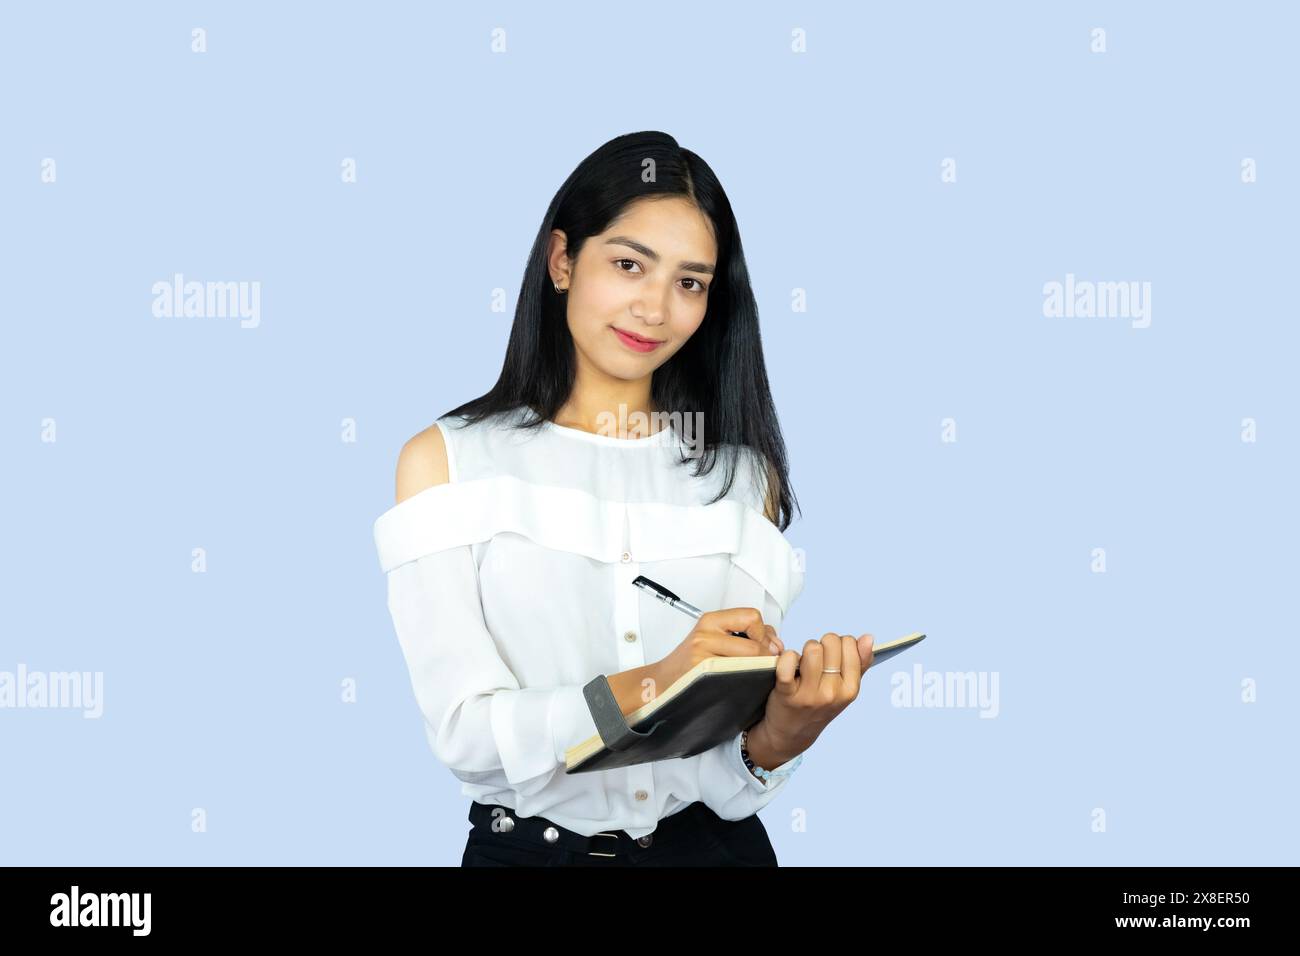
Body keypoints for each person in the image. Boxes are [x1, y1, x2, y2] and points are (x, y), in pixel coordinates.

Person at [373, 131, 875, 866]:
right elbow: (468, 741)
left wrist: (785, 734)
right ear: (562, 260)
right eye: (629, 264)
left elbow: (725, 778)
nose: (655, 308)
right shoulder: (448, 463)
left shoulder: (742, 477)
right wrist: (655, 681)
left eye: (690, 282)